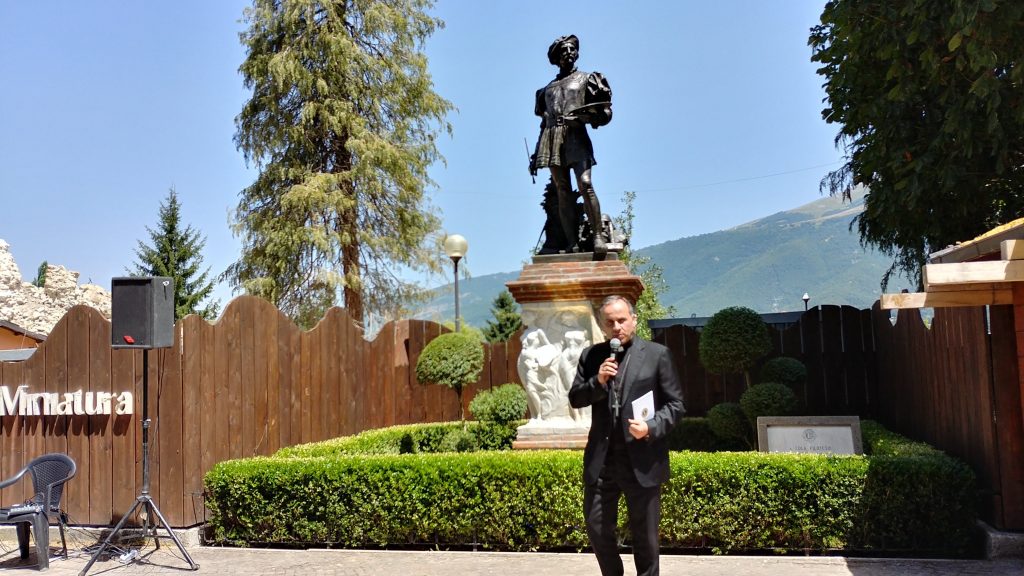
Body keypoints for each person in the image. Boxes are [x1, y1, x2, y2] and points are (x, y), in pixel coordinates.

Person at [569, 295, 685, 576]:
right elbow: (575, 398)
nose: (617, 327)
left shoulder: (657, 355)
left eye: (622, 320)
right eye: (610, 322)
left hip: (642, 458)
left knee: (645, 537)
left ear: (634, 320)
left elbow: (676, 405)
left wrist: (651, 427)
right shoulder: (592, 356)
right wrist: (598, 381)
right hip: (603, 461)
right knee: (596, 526)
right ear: (602, 325)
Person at [529, 34, 612, 253]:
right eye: (563, 51)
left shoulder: (587, 79)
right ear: (556, 58)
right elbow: (543, 123)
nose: (568, 53)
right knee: (562, 190)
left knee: (585, 183)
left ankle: (597, 237)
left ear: (577, 53)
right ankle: (571, 242)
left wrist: (586, 118)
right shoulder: (545, 90)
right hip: (551, 137)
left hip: (576, 135)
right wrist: (536, 154)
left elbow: (605, 112)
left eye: (571, 49)